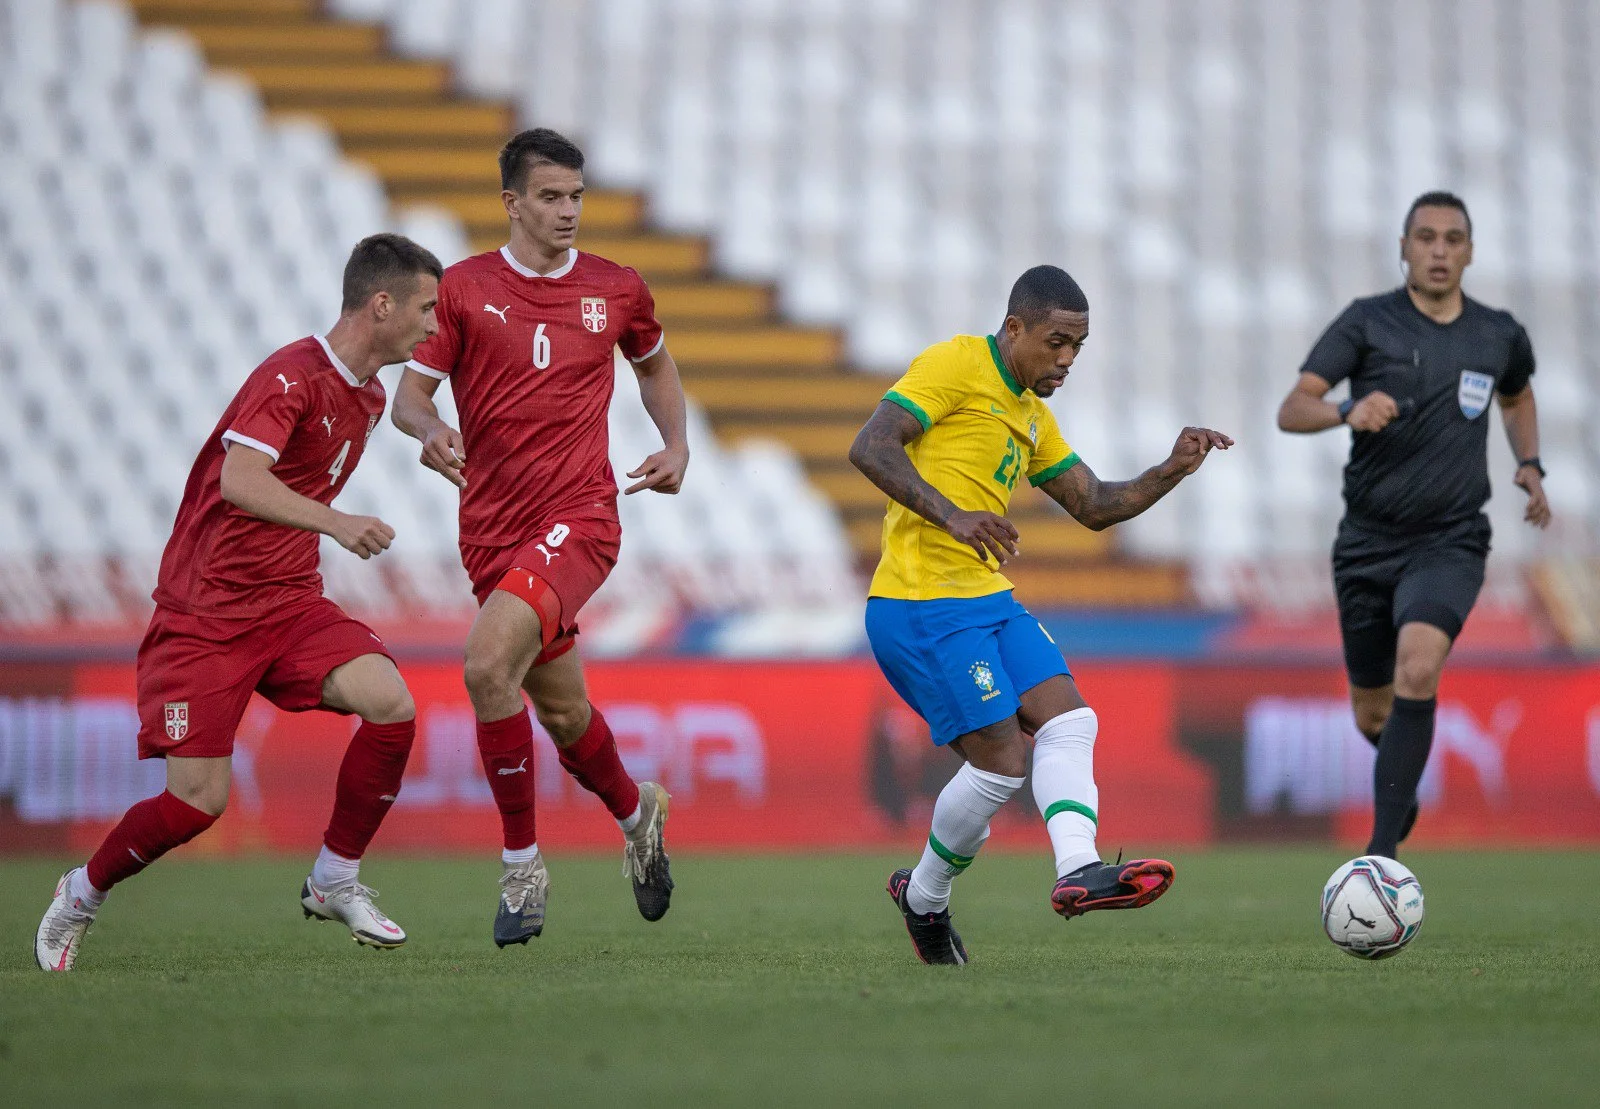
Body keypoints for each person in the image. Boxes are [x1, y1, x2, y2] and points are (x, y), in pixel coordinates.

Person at [35, 234, 443, 971]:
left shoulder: (372, 396)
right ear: (381, 304)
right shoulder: (290, 376)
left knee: (392, 704)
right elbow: (240, 481)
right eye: (425, 308)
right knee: (197, 802)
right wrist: (338, 523)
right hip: (207, 613)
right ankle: (82, 892)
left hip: (288, 602)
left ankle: (334, 877)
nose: (433, 326)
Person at [849, 265, 1232, 964]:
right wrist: (953, 514)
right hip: (921, 602)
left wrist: (1172, 467)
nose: (1066, 360)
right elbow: (870, 445)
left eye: (1078, 347)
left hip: (985, 599)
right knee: (1000, 766)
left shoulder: (1031, 414)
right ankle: (925, 899)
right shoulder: (955, 364)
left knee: (1072, 718)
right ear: (1016, 327)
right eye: (1057, 341)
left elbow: (1093, 505)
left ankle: (1077, 869)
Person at [391, 129, 688, 947]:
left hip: (582, 518)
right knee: (561, 713)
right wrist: (430, 427)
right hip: (492, 531)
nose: (567, 212)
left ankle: (522, 866)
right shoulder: (461, 289)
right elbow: (408, 398)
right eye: (550, 197)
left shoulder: (616, 287)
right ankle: (639, 817)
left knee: (487, 665)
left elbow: (655, 365)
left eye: (576, 197)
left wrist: (677, 442)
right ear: (512, 202)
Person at [1277, 191, 1548, 862]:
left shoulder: (1498, 334)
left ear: (1470, 252)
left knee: (1419, 667)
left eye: (1453, 239)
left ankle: (1380, 859)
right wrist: (1346, 409)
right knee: (1374, 711)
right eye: (1425, 237)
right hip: (1368, 540)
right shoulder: (1368, 323)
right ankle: (1402, 788)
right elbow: (1292, 408)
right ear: (1403, 247)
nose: (1438, 250)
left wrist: (1531, 464)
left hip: (1450, 538)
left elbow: (1517, 395)